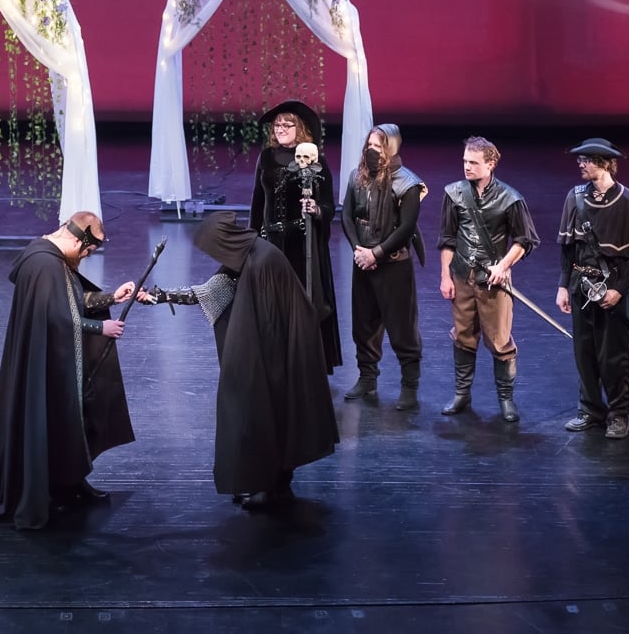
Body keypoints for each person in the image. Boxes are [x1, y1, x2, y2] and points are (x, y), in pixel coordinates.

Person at [139, 211, 339, 509]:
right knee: (259, 414)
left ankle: (274, 487)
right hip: (269, 352)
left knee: (273, 413)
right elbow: (211, 292)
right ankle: (265, 484)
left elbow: (272, 321)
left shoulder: (262, 261)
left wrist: (260, 363)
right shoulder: (247, 256)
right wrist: (162, 296)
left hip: (280, 354)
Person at [0, 212, 136, 529]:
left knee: (67, 419)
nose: (85, 258)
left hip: (52, 358)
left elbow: (69, 302)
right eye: (86, 251)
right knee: (50, 420)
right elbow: (59, 317)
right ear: (76, 238)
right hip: (45, 362)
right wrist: (102, 328)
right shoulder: (45, 265)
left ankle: (67, 482)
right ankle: (46, 488)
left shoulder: (51, 257)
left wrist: (111, 296)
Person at [555, 138, 629, 439]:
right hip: (581, 286)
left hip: (613, 289)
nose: (580, 164)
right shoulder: (574, 198)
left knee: (614, 356)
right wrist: (563, 286)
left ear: (603, 163)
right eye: (580, 159)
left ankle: (618, 414)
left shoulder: (628, 201)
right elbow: (568, 249)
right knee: (584, 352)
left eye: (586, 160)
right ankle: (590, 410)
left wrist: (619, 290)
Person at [438, 137, 540, 421]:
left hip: (493, 281)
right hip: (461, 277)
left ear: (491, 164)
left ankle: (506, 399)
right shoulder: (454, 193)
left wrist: (503, 265)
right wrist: (446, 276)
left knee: (499, 340)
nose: (467, 167)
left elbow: (524, 240)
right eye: (464, 161)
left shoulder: (510, 198)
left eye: (473, 162)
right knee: (462, 336)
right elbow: (447, 239)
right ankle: (462, 394)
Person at [250, 100, 342, 373]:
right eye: (277, 125)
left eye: (286, 124)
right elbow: (258, 202)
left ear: (299, 128)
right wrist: (251, 239)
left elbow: (328, 205)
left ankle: (305, 364)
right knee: (271, 305)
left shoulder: (315, 160)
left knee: (303, 304)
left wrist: (315, 209)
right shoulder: (266, 157)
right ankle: (275, 362)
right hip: (270, 242)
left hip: (301, 245)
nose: (280, 129)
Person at [340, 124, 427, 411]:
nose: (372, 150)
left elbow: (405, 229)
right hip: (362, 261)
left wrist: (376, 253)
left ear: (391, 147)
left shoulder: (408, 183)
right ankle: (367, 378)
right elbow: (348, 216)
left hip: (392, 265)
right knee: (364, 324)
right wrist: (358, 250)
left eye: (379, 146)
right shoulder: (358, 177)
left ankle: (409, 386)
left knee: (402, 327)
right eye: (370, 145)